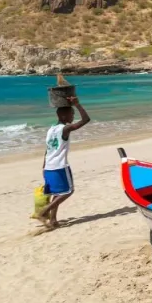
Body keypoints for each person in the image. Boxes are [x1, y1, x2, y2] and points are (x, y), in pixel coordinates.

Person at [37, 96, 90, 228]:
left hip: (49, 166)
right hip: (60, 166)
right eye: (72, 114)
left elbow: (47, 149)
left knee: (57, 193)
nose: (73, 116)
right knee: (68, 191)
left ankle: (53, 220)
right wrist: (77, 104)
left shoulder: (51, 130)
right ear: (64, 116)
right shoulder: (64, 129)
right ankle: (44, 211)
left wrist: (44, 167)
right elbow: (86, 120)